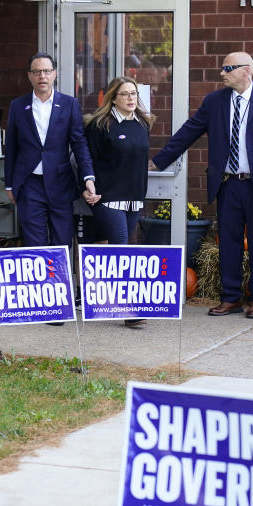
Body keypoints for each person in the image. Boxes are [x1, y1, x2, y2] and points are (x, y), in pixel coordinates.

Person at [149, 51, 253, 319]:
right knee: (228, 243)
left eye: (228, 68)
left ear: (246, 70)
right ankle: (230, 298)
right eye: (223, 67)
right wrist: (160, 161)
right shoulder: (214, 101)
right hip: (228, 184)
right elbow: (188, 131)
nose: (222, 73)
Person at [4, 52, 97, 248]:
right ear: (29, 75)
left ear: (54, 74)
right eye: (37, 72)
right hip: (29, 184)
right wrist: (10, 185)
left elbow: (79, 144)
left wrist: (88, 177)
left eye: (46, 71)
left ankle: (58, 279)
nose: (42, 77)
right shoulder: (18, 106)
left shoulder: (68, 104)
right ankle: (40, 279)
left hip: (60, 183)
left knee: (62, 242)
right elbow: (11, 147)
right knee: (35, 243)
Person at [83, 76, 155, 328]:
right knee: (121, 248)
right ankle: (128, 308)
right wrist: (86, 186)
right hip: (108, 198)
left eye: (134, 93)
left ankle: (100, 297)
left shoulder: (142, 124)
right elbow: (86, 159)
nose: (131, 98)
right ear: (113, 98)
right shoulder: (101, 125)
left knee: (112, 246)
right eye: (125, 94)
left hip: (134, 198)